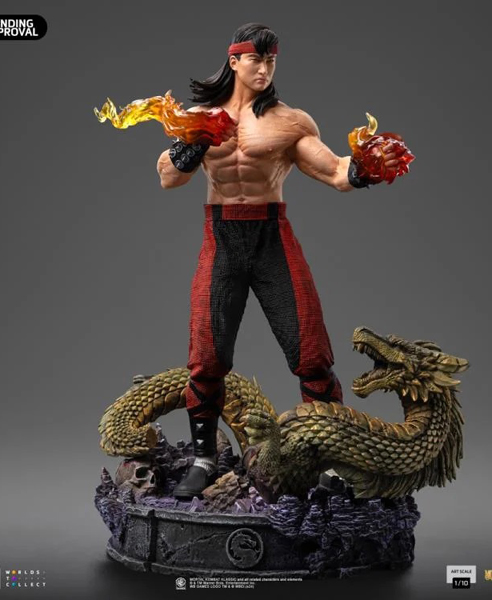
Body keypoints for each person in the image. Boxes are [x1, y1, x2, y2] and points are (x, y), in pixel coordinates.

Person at [157, 23, 403, 499]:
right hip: (221, 238)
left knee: (312, 354)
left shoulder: (289, 121)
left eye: (272, 61)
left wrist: (366, 168)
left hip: (272, 238)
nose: (265, 69)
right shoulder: (198, 117)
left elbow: (335, 172)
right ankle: (204, 458)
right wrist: (194, 143)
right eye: (256, 60)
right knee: (206, 357)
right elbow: (168, 177)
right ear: (234, 61)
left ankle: (328, 461)